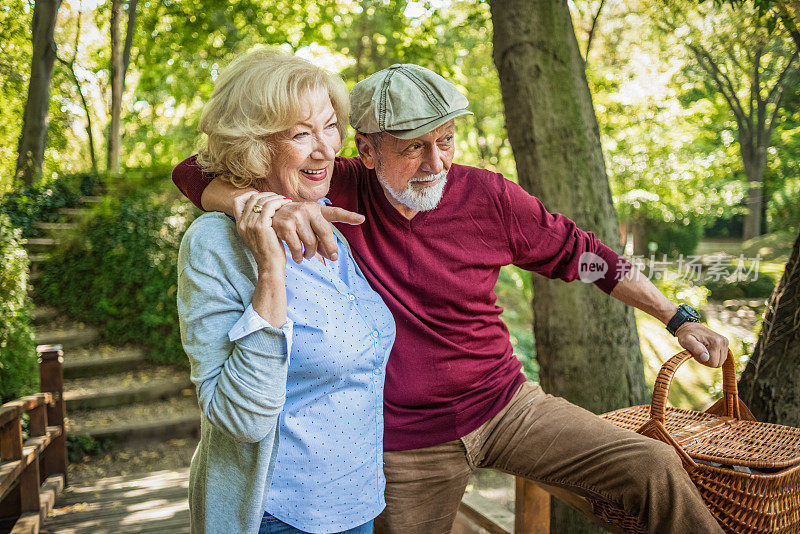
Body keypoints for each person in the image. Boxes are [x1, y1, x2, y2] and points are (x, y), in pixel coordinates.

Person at [174, 63, 728, 533]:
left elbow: (586, 256)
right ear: (366, 150)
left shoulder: (488, 196)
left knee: (653, 467)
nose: (436, 163)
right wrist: (259, 205)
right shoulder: (330, 183)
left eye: (445, 141)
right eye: (414, 147)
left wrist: (677, 317)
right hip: (404, 441)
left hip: (506, 404)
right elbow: (194, 170)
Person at [176, 48, 395, 534]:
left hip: (356, 505)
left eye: (331, 125)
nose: (325, 149)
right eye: (300, 133)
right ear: (254, 144)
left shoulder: (327, 221)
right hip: (280, 514)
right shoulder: (215, 243)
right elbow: (238, 419)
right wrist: (271, 272)